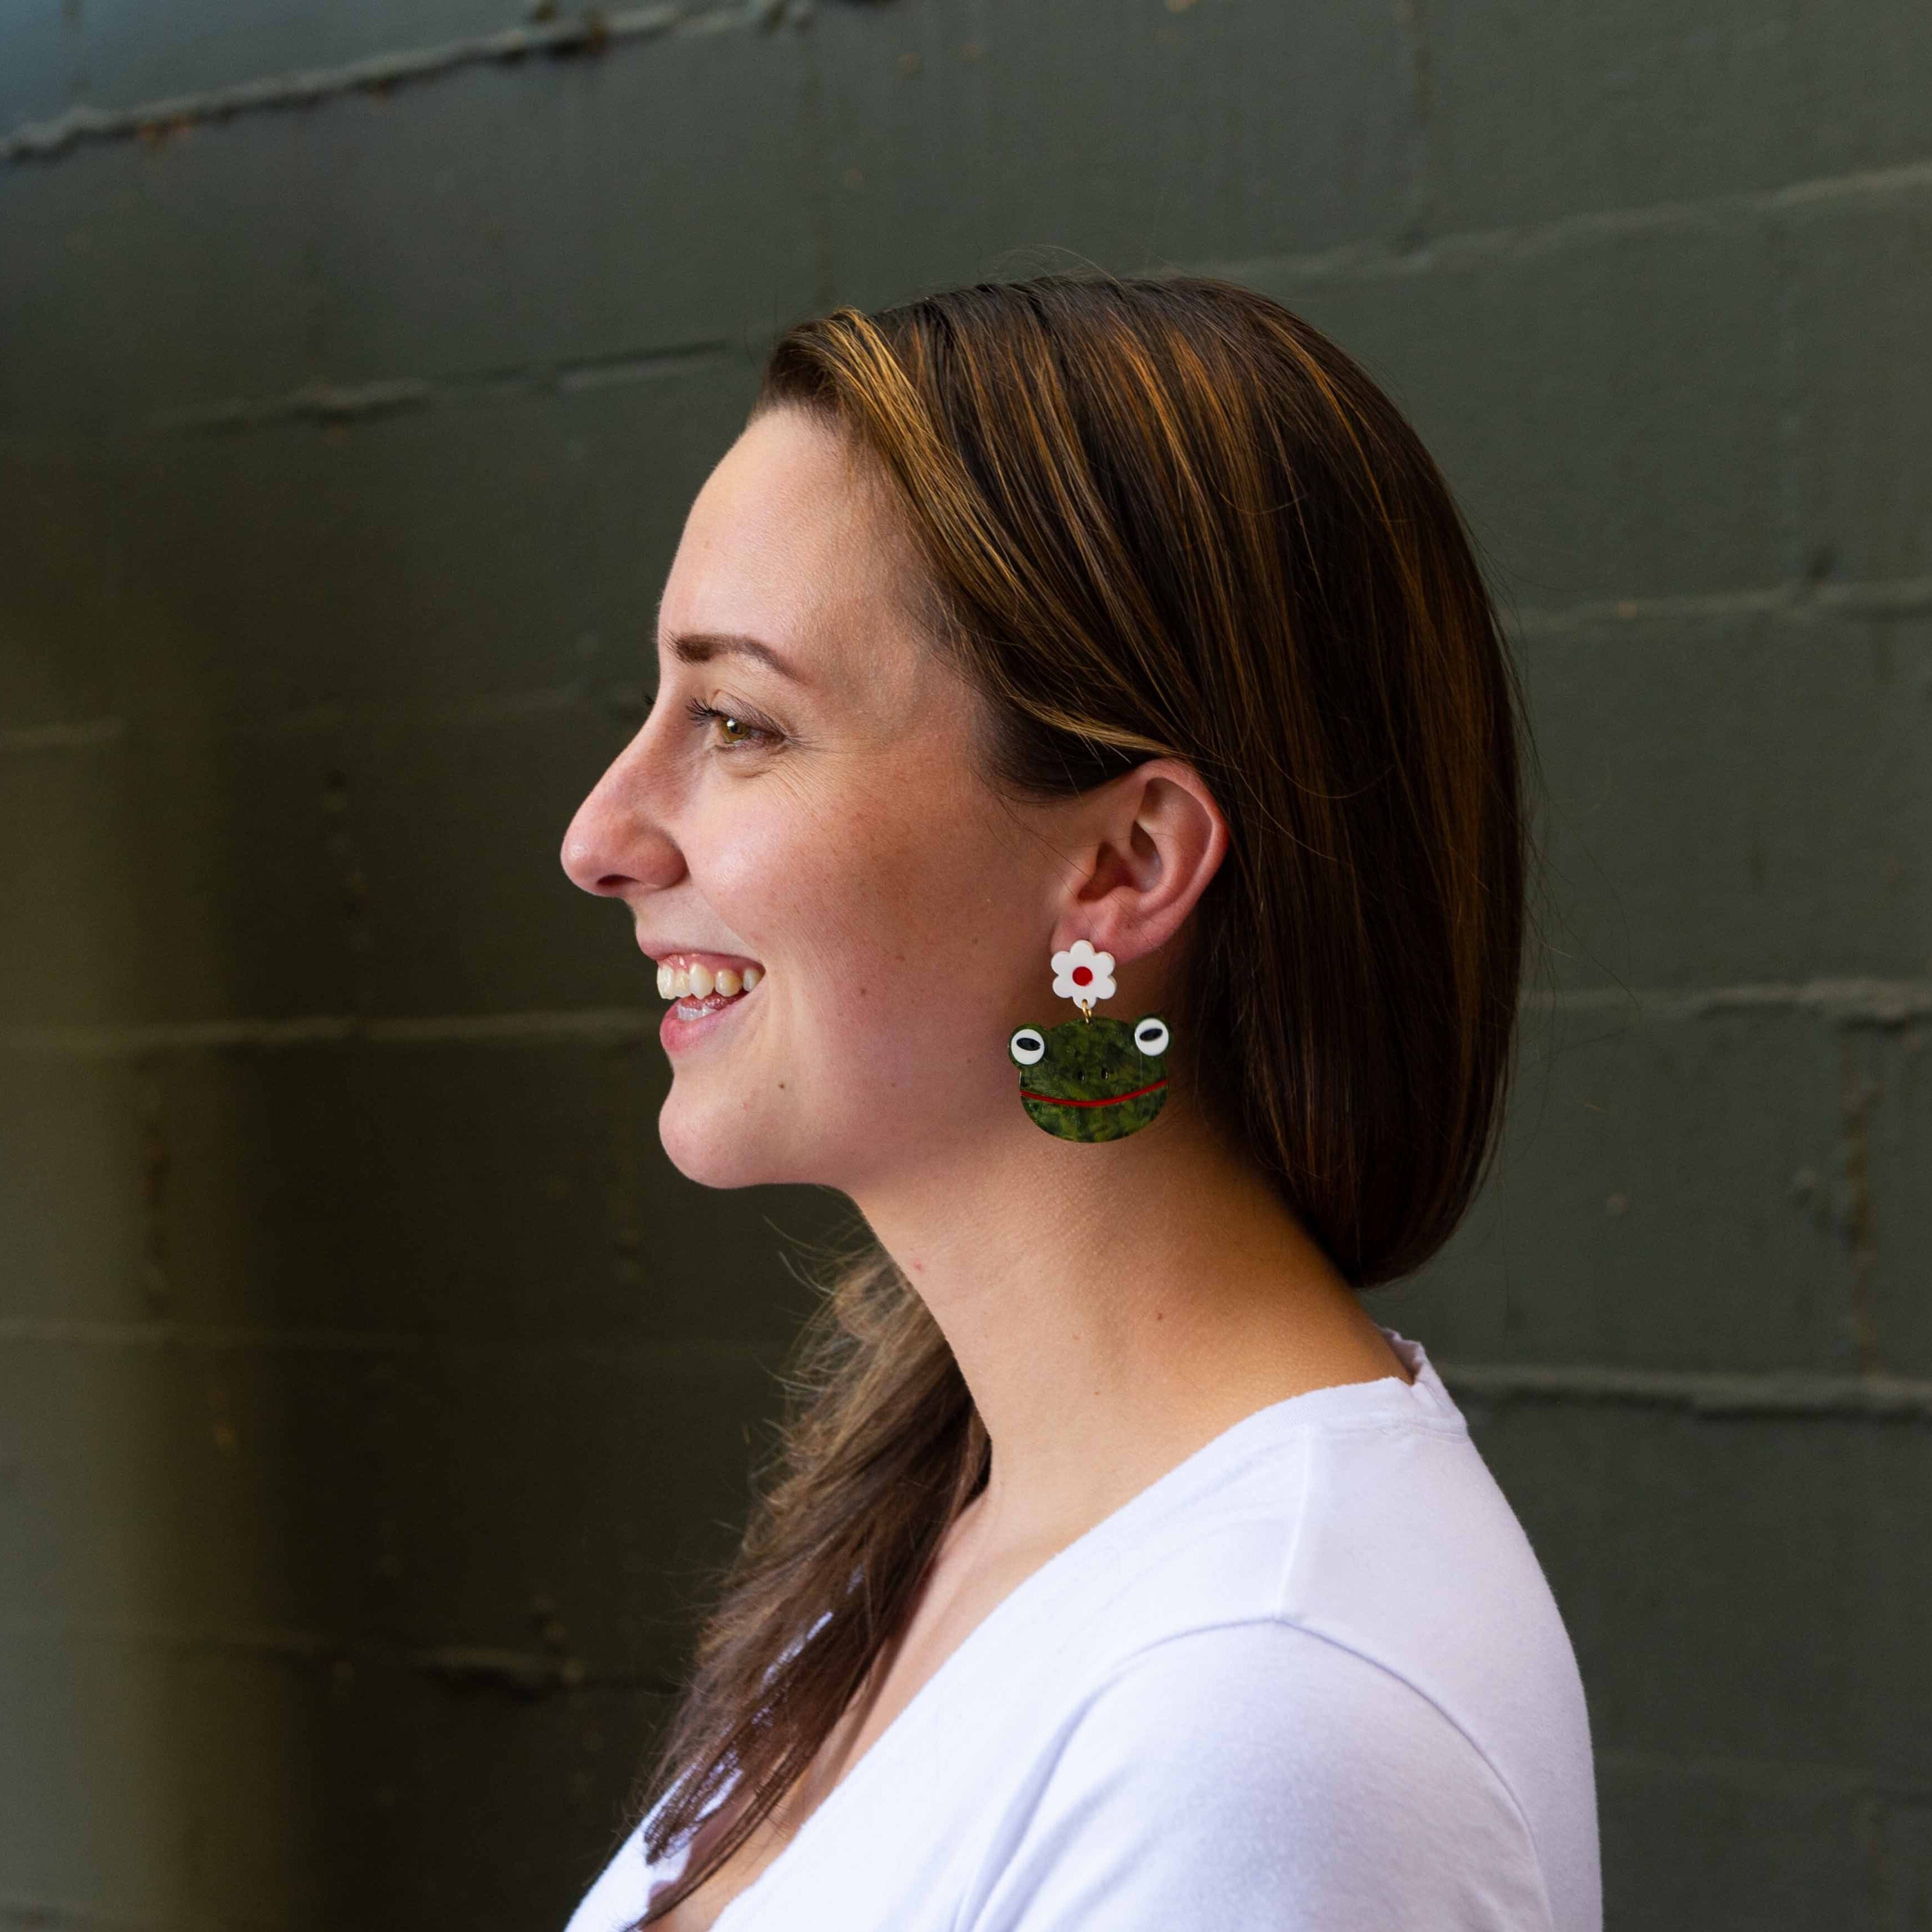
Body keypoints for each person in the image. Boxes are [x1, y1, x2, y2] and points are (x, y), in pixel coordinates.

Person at [557, 274, 1599, 1931]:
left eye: (740, 722)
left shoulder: (1260, 1705)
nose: (602, 833)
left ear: (1123, 863)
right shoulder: (953, 1520)